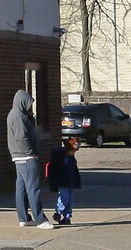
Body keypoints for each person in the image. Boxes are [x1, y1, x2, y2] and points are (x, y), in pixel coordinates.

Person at [7, 89, 51, 228]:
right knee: (33, 188)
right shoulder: (19, 116)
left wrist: (30, 117)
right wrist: (31, 152)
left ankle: (24, 218)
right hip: (27, 156)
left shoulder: (15, 115)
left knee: (21, 188)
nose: (30, 106)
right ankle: (40, 220)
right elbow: (22, 137)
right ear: (22, 102)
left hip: (18, 156)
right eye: (29, 103)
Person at [46, 138, 83, 227]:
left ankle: (67, 217)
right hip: (62, 181)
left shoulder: (70, 158)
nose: (73, 153)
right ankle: (58, 212)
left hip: (69, 181)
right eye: (73, 151)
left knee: (70, 199)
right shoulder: (60, 157)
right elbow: (54, 170)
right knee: (64, 197)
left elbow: (74, 170)